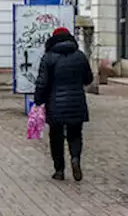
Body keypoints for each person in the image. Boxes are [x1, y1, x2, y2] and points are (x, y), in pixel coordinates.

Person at [33, 27, 93, 181]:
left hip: (55, 104)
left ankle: (59, 170)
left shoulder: (48, 57)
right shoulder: (80, 56)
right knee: (75, 134)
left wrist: (38, 100)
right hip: (76, 102)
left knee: (56, 136)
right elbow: (88, 79)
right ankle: (75, 158)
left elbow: (42, 82)